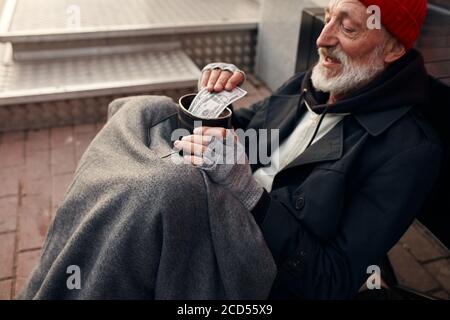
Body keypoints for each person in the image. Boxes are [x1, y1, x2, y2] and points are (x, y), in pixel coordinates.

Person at [173, 0, 443, 299]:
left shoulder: (409, 151)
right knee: (142, 113)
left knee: (151, 200)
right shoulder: (309, 85)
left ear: (392, 49)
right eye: (327, 18)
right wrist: (209, 104)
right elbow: (245, 137)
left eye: (348, 27)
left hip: (254, 272)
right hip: (213, 213)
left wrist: (250, 195)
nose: (322, 39)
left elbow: (329, 281)